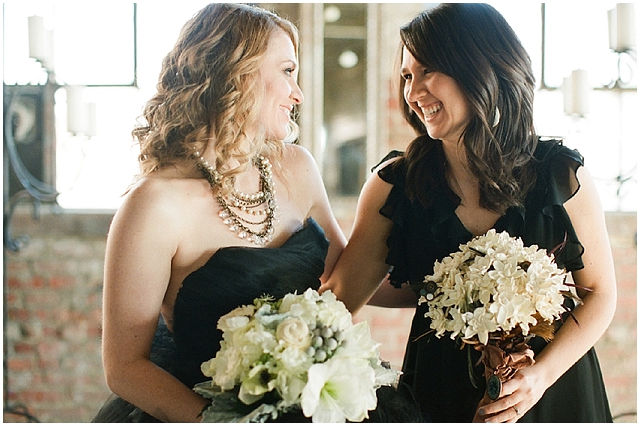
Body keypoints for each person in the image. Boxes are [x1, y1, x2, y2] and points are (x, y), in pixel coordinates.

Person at [323, 3, 616, 423]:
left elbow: (601, 295)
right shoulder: (394, 186)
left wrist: (540, 378)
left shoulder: (560, 175)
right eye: (407, 76)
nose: (412, 92)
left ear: (477, 66)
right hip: (440, 393)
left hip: (553, 392)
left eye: (427, 71)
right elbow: (343, 295)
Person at [91, 4, 347, 422]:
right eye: (286, 71)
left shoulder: (298, 169)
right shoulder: (155, 204)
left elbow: (351, 271)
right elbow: (124, 368)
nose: (297, 93)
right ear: (238, 73)